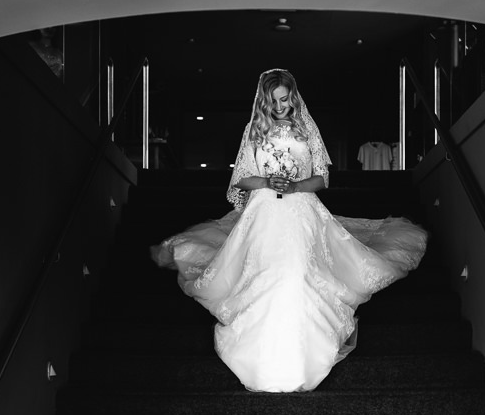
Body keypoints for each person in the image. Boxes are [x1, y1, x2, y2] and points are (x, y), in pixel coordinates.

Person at [152, 69, 427, 392]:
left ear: (293, 96)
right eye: (273, 101)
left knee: (297, 274)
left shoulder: (305, 128)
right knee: (266, 275)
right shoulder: (255, 129)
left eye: (284, 99)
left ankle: (300, 357)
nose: (280, 106)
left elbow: (322, 178)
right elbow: (240, 177)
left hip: (300, 209)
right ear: (264, 102)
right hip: (265, 209)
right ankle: (264, 357)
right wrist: (267, 181)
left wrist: (296, 185)